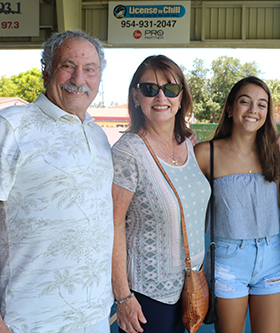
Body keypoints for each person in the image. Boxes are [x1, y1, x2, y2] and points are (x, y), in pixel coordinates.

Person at [0, 30, 113, 332]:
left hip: (95, 314)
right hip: (28, 318)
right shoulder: (11, 125)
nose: (79, 78)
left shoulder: (99, 135)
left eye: (90, 69)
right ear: (46, 69)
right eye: (67, 65)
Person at [111, 55, 210, 333]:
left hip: (190, 287)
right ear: (136, 96)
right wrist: (123, 296)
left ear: (181, 97)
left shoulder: (190, 145)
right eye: (150, 89)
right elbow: (114, 223)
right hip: (147, 294)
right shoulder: (128, 151)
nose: (161, 96)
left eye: (171, 88)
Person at [194, 76, 280, 333]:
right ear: (230, 109)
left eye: (261, 104)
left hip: (271, 257)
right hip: (227, 259)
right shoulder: (205, 154)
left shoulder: (276, 155)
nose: (253, 110)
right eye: (245, 102)